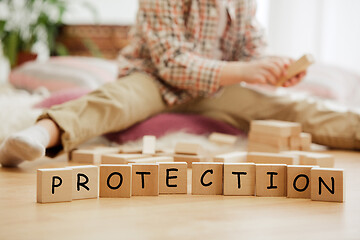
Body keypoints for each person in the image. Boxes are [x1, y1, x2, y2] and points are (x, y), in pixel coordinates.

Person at [0, 0, 359, 167]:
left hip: (215, 90)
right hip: (154, 81)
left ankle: (353, 129)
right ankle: (37, 137)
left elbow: (252, 51)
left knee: (288, 108)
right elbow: (171, 62)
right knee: (114, 101)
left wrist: (272, 70)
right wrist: (244, 72)